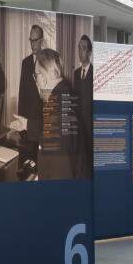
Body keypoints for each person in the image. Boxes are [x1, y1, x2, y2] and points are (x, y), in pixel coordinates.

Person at [33, 48, 79, 181]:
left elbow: (61, 173)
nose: (35, 81)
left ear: (43, 76)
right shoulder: (64, 94)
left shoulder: (56, 111)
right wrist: (27, 124)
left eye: (35, 76)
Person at [18, 22, 47, 168]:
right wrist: (21, 123)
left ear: (41, 40)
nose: (32, 44)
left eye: (35, 40)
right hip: (28, 120)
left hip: (43, 120)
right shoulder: (25, 63)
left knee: (41, 163)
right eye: (30, 40)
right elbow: (22, 94)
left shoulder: (49, 62)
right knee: (27, 162)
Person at [72, 34, 94, 179]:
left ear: (90, 52)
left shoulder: (96, 74)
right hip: (79, 127)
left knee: (91, 163)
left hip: (92, 127)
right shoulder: (75, 74)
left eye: (84, 48)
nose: (81, 52)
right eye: (79, 48)